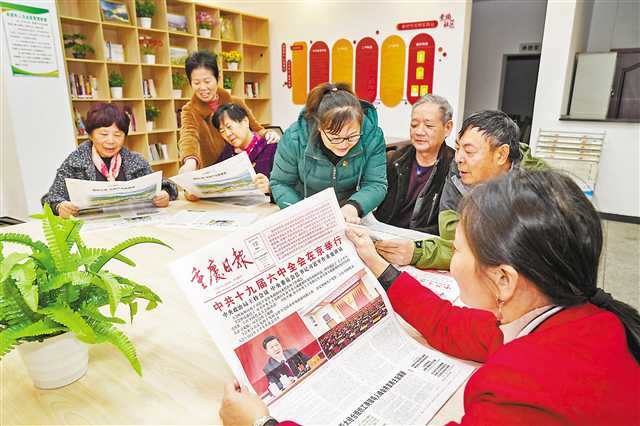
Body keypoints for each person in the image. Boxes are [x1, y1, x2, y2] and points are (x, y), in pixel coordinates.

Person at [219, 170, 640, 426]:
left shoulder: (518, 391)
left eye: (457, 250)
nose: (451, 262)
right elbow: (450, 325)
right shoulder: (581, 320)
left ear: (503, 280)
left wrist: (261, 424)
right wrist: (379, 267)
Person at [375, 110, 545, 270]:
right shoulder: (459, 170)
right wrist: (418, 251)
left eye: (469, 151)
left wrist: (422, 252)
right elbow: (451, 231)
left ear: (501, 155)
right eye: (457, 148)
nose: (458, 158)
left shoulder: (538, 186)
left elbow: (505, 251)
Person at [270, 83, 387, 224]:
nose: (343, 145)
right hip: (305, 212)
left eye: (352, 136)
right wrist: (301, 214)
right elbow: (281, 183)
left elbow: (376, 183)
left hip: (352, 213)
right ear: (319, 126)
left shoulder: (371, 136)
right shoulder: (295, 138)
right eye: (335, 137)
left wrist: (353, 207)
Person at [41, 103, 178, 218]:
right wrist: (60, 206)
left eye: (117, 135)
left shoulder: (135, 161)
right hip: (92, 230)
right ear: (91, 135)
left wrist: (164, 194)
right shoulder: (75, 162)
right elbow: (50, 198)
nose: (111, 141)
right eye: (104, 134)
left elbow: (167, 186)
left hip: (132, 225)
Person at [177, 51, 280, 200]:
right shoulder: (189, 110)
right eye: (196, 83)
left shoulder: (235, 102)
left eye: (207, 81)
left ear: (217, 78)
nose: (203, 88)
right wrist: (190, 161)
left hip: (238, 170)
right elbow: (188, 137)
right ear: (190, 83)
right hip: (213, 174)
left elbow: (255, 127)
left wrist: (268, 134)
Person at [373, 94, 455, 234]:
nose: (419, 131)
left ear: (447, 127)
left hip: (423, 242)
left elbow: (449, 227)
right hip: (384, 236)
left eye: (428, 126)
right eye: (414, 124)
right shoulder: (393, 160)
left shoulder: (455, 168)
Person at [212, 103, 277, 194]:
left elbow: (288, 186)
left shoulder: (271, 147)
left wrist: (270, 188)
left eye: (229, 127)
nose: (227, 134)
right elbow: (214, 175)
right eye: (222, 131)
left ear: (245, 122)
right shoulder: (228, 151)